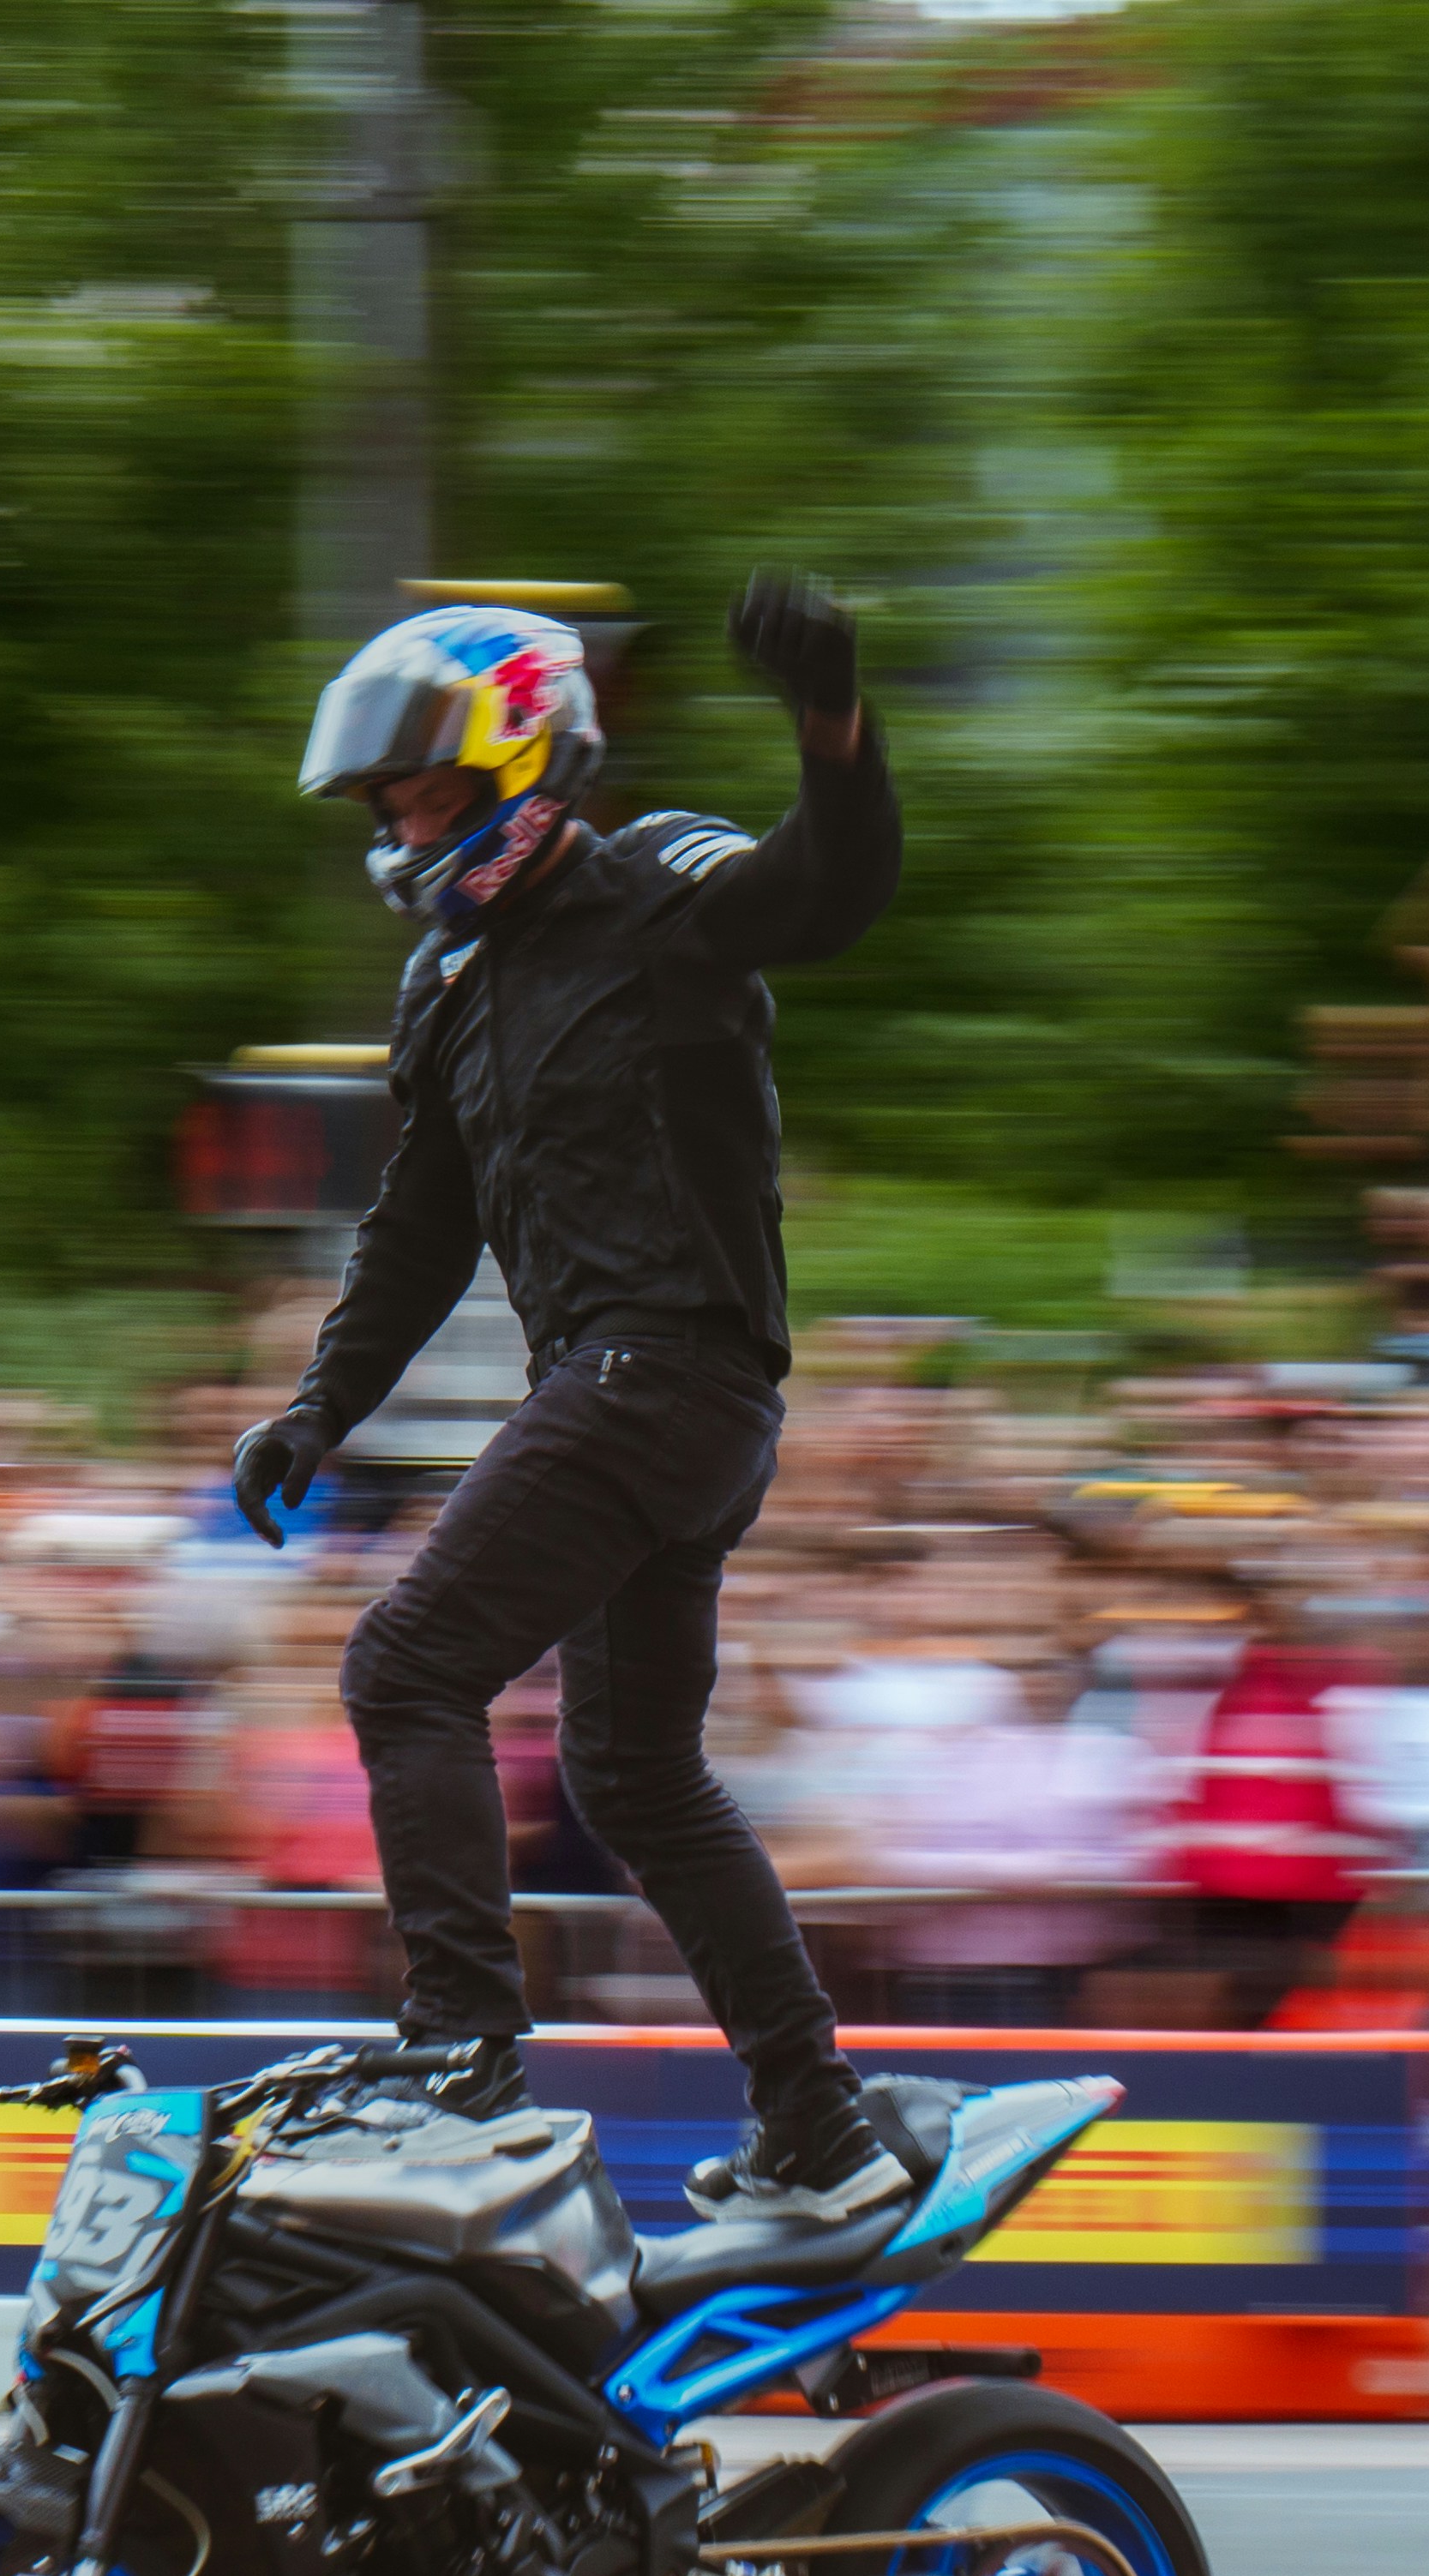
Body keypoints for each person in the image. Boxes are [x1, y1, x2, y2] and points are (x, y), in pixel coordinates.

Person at [230, 579, 908, 2218]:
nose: (406, 825)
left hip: (665, 1376)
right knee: (633, 1775)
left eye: (435, 792)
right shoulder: (450, 982)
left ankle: (461, 2040)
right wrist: (321, 1409)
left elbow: (823, 896)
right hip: (638, 1401)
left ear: (530, 765)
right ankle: (815, 2115)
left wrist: (834, 723)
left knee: (405, 1668)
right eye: (391, 802)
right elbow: (419, 1230)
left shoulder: (657, 877)